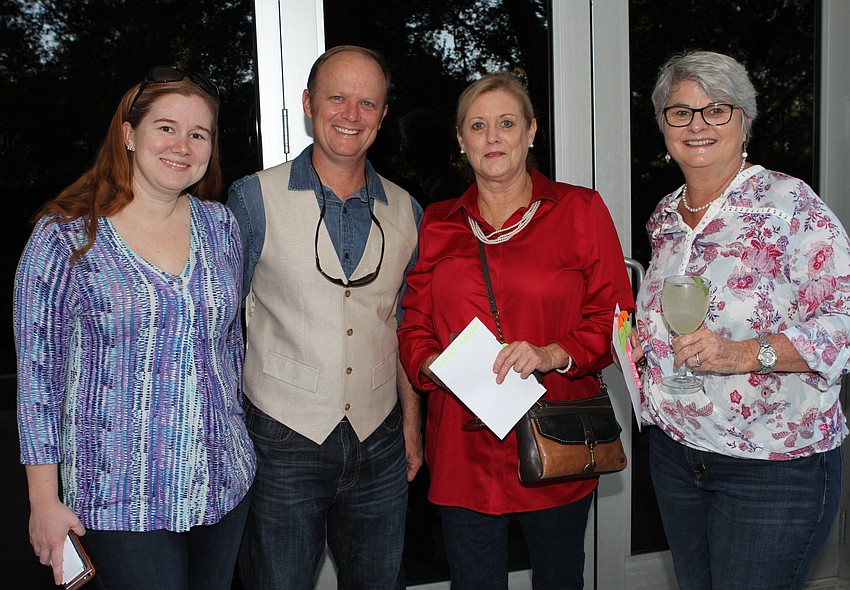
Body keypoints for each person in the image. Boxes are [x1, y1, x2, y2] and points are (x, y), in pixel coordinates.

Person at [14, 66, 256, 590]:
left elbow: (229, 346)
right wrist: (43, 502)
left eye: (199, 134)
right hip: (119, 498)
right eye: (166, 128)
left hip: (222, 484)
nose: (183, 146)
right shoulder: (65, 237)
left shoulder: (221, 227)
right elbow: (38, 380)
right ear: (129, 134)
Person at [398, 72, 634, 589]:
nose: (493, 137)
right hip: (463, 445)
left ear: (531, 131)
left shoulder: (580, 210)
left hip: (556, 434)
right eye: (478, 126)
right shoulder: (438, 222)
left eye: (507, 123)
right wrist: (429, 363)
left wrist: (555, 352)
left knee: (559, 579)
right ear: (461, 140)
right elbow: (413, 320)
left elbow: (616, 319)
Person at [630, 50, 849, 589]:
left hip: (772, 468)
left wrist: (747, 353)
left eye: (716, 109)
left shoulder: (790, 204)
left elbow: (844, 320)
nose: (697, 124)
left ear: (745, 120)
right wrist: (642, 344)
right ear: (663, 127)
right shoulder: (665, 215)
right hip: (678, 456)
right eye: (680, 112)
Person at [227, 45, 424, 589]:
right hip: (279, 438)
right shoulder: (252, 199)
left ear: (383, 116)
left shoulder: (409, 210)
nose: (350, 114)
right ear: (310, 103)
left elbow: (405, 325)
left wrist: (411, 424)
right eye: (337, 97)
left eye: (367, 103)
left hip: (380, 440)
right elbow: (219, 327)